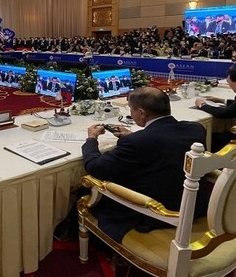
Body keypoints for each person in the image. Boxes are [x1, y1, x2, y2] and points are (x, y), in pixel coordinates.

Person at [83, 87, 207, 242]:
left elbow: (95, 167)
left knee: (86, 191)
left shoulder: (136, 142)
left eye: (131, 109)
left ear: (141, 113)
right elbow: (165, 145)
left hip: (156, 213)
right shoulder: (196, 129)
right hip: (195, 204)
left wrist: (91, 139)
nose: (131, 113)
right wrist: (134, 136)